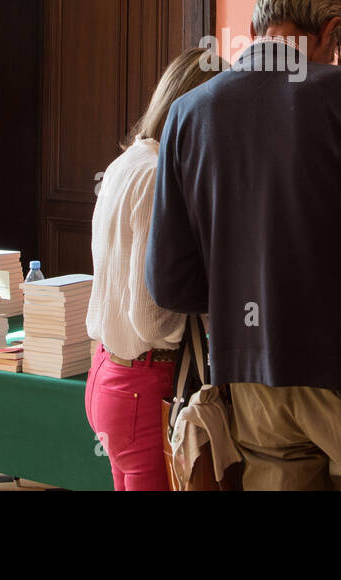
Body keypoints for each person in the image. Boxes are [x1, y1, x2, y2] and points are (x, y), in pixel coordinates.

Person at [146, 0, 341, 490]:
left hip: (249, 380)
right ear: (331, 32)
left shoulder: (187, 112)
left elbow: (170, 282)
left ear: (254, 31)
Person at [85, 46, 226, 490]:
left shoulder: (126, 163)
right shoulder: (155, 175)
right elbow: (149, 316)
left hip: (109, 372)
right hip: (142, 381)